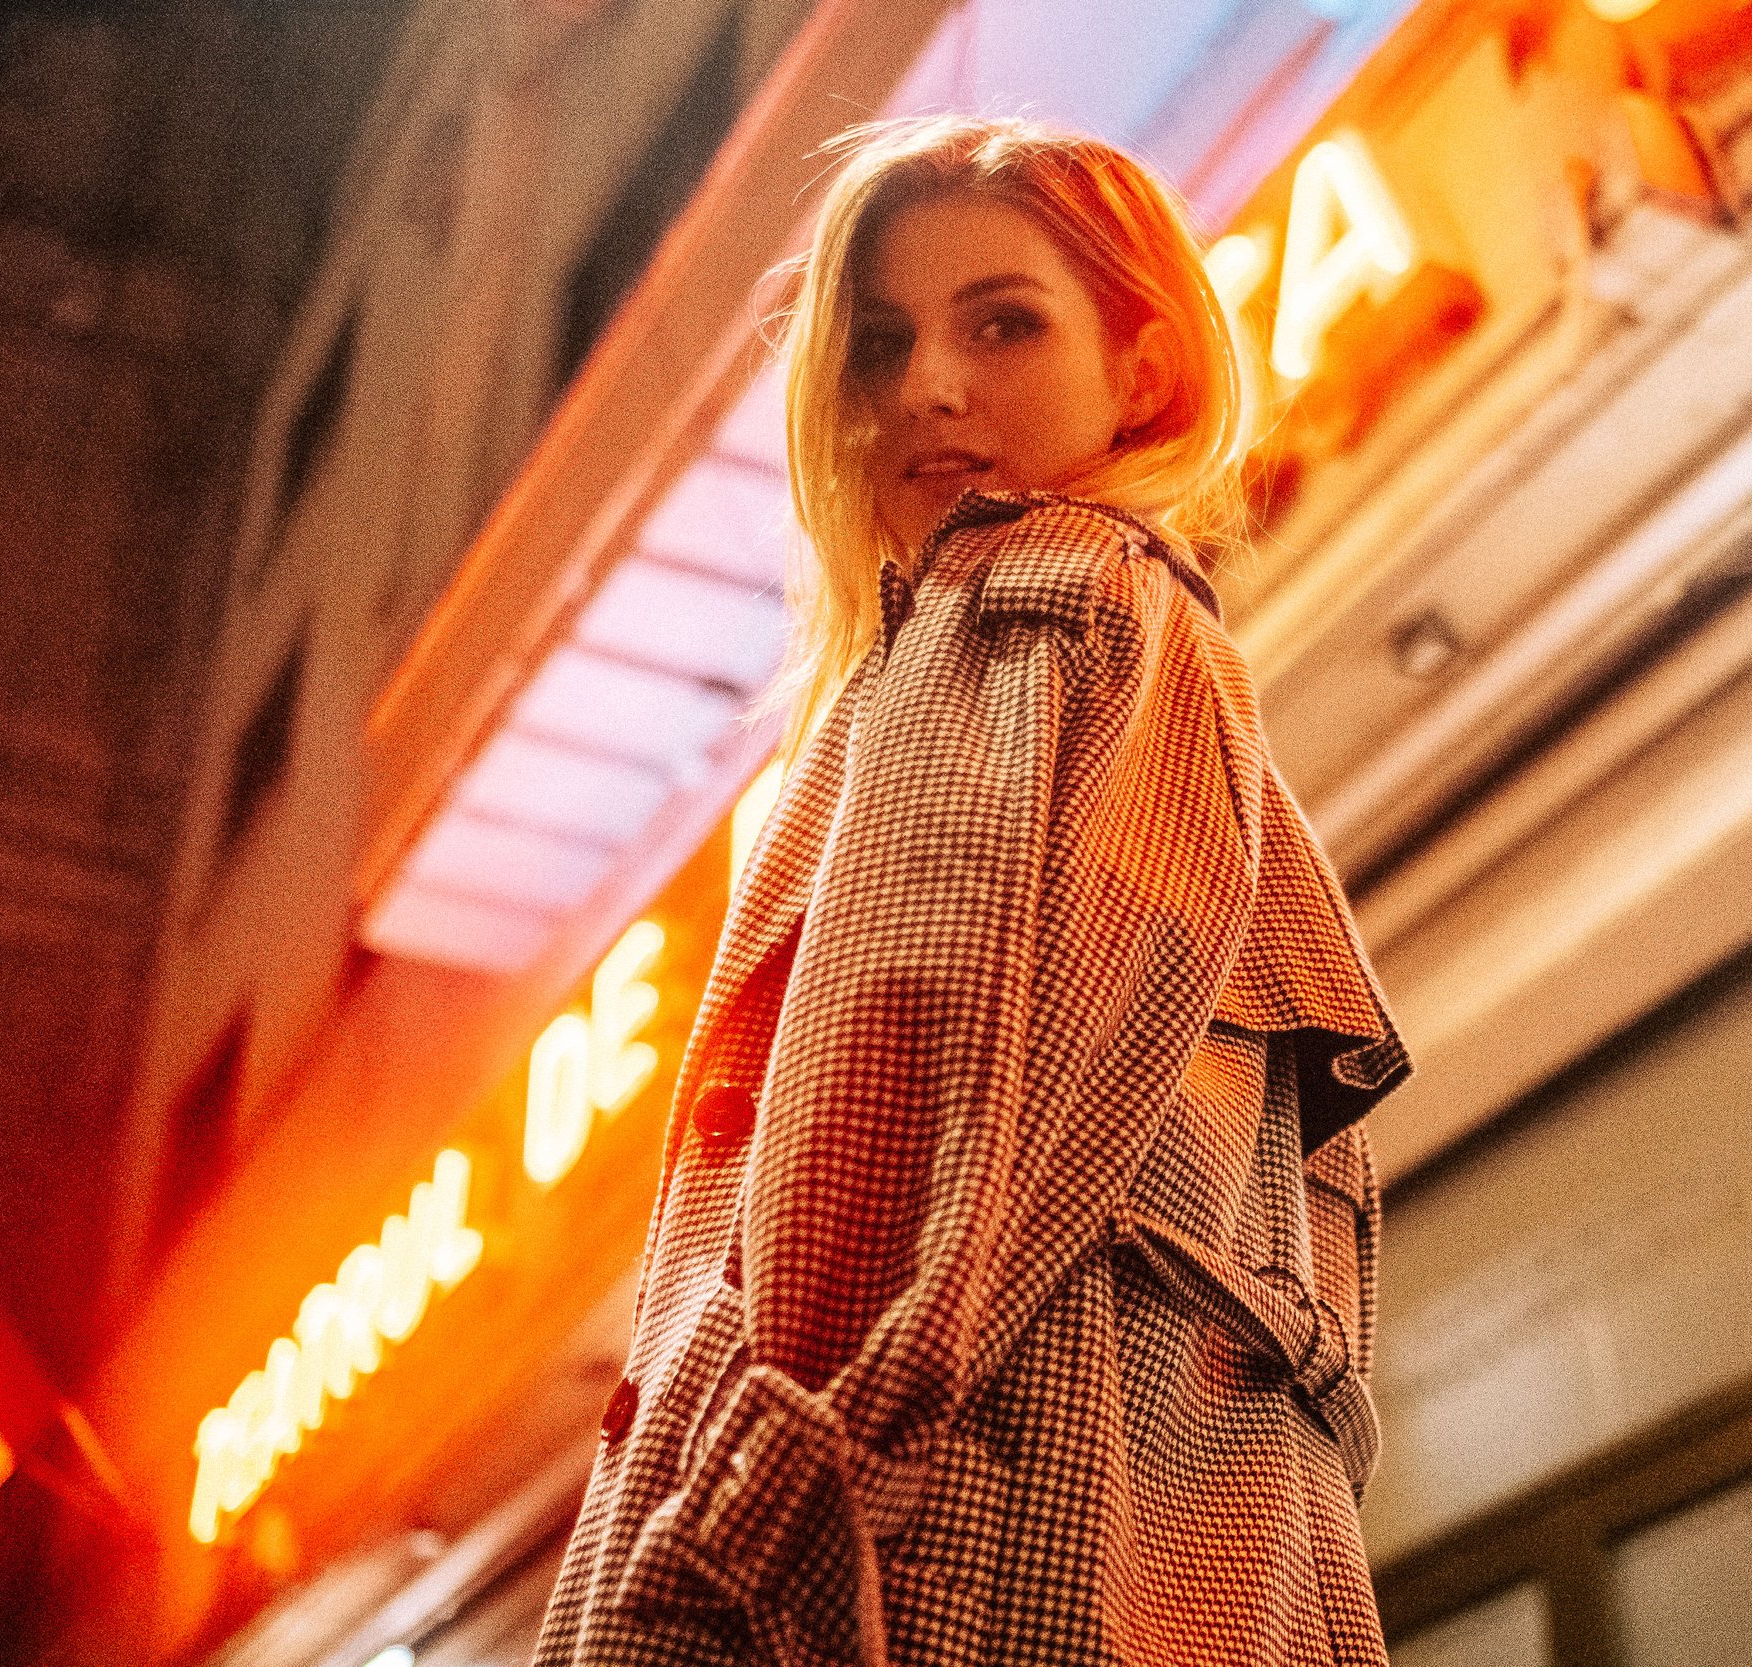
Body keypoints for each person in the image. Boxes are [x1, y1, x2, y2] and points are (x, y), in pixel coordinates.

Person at [533, 115, 1410, 1667]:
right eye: (880, 344)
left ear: (1141, 370)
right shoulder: (1154, 644)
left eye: (1003, 321)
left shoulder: (1030, 602)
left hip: (961, 1537)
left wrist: (748, 1511)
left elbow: (927, 1098)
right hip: (1182, 1550)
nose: (927, 387)